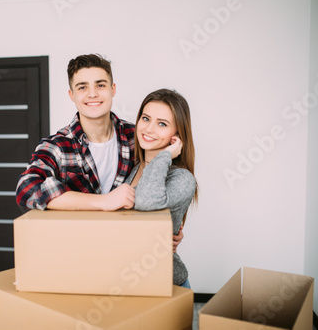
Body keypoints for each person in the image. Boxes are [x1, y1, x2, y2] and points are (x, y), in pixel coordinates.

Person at [16, 54, 184, 249]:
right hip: (82, 254)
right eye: (82, 87)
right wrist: (103, 202)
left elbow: (168, 182)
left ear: (113, 89)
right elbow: (26, 189)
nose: (93, 94)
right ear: (72, 95)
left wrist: (171, 227)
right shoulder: (58, 145)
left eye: (100, 85)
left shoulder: (137, 136)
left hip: (130, 253)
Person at [125, 88, 198, 288]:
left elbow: (145, 201)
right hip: (133, 278)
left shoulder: (183, 178)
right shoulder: (134, 168)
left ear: (177, 136)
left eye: (162, 124)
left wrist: (166, 154)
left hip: (167, 282)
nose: (149, 129)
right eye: (146, 118)